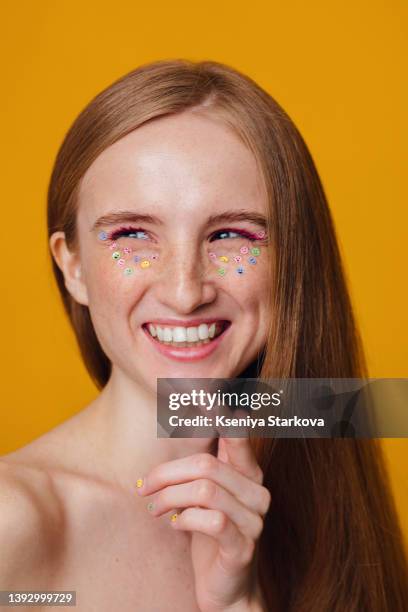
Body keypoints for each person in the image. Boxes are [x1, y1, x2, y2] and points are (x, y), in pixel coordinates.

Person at [1, 59, 407, 612]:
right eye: (132, 235)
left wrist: (238, 603)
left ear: (291, 262)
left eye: (232, 235)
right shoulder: (12, 523)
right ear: (72, 267)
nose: (186, 291)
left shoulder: (322, 481)